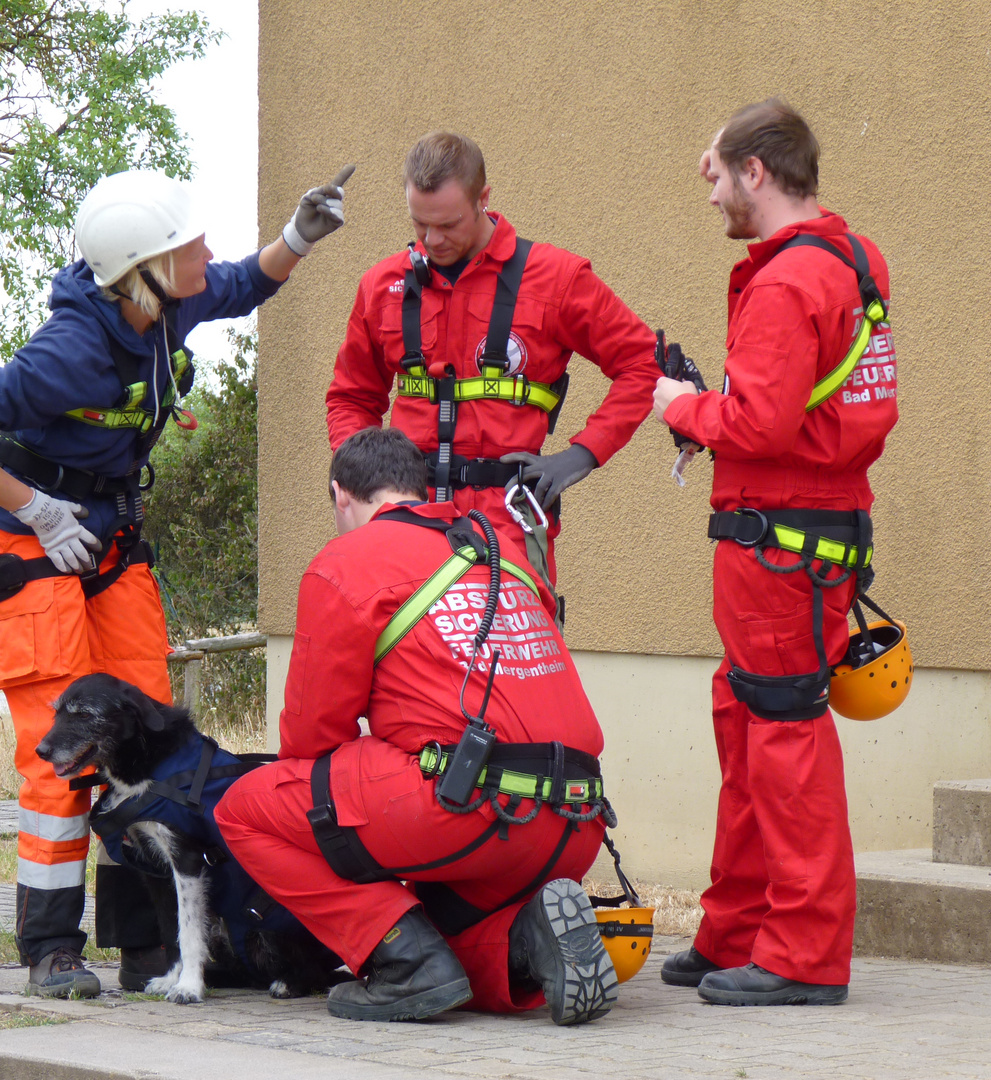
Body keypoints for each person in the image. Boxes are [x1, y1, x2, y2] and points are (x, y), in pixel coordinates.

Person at [0, 164, 355, 998]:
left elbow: (243, 283)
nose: (207, 252)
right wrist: (39, 510)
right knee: (63, 751)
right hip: (36, 533)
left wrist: (299, 235)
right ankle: (51, 950)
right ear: (146, 268)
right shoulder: (67, 352)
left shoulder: (169, 303)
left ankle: (149, 946)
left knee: (153, 739)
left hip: (108, 534)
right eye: (190, 245)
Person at [213, 427, 619, 1025]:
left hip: (468, 809)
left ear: (340, 495)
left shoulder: (346, 562)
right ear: (419, 488)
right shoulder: (495, 545)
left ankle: (401, 961)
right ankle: (526, 941)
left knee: (244, 808)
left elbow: (311, 740)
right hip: (575, 821)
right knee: (439, 927)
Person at [650, 100, 898, 1006]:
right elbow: (801, 409)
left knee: (784, 736)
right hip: (803, 538)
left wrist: (680, 407)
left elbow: (758, 420)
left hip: (780, 541)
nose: (710, 194)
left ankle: (800, 954)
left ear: (757, 170)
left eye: (714, 175)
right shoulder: (848, 259)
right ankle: (739, 929)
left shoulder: (791, 283)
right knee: (749, 720)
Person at [325, 131, 656, 613]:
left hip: (507, 528)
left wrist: (582, 455)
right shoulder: (383, 286)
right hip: (404, 523)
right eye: (420, 225)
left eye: (449, 224)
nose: (433, 240)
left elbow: (642, 362)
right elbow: (352, 397)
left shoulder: (555, 278)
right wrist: (358, 479)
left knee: (511, 675)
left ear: (484, 198)